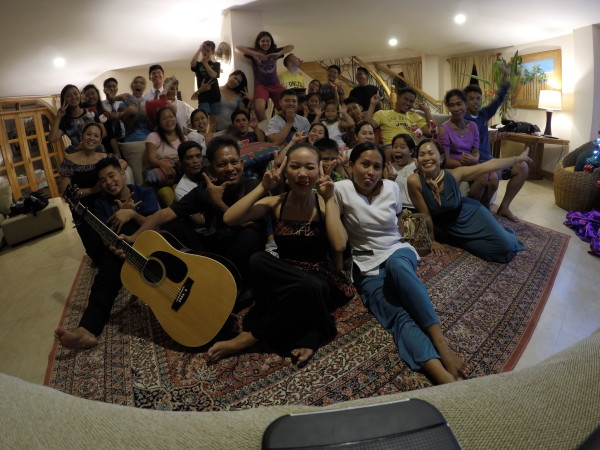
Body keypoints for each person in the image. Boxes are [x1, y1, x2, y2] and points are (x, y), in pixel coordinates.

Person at [206, 143, 355, 364]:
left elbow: (339, 245)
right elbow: (230, 218)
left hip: (320, 279)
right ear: (285, 171)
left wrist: (329, 198)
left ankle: (250, 338)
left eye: (309, 168)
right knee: (258, 259)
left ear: (319, 171)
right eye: (295, 166)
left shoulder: (324, 205)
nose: (303, 174)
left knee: (307, 286)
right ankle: (309, 330)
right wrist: (262, 187)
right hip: (286, 275)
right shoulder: (276, 203)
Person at [334, 142, 468, 384]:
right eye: (364, 165)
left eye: (376, 166)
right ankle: (441, 375)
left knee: (397, 267)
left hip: (396, 250)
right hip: (366, 265)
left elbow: (397, 221)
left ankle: (443, 346)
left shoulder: (392, 188)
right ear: (351, 166)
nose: (370, 172)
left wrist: (415, 241)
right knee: (397, 317)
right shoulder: (340, 189)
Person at [117, 136, 266, 298]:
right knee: (171, 226)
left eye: (234, 162)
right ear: (212, 169)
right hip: (215, 249)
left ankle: (231, 290)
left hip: (241, 252)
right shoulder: (206, 189)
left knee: (250, 235)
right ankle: (187, 282)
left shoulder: (253, 186)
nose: (230, 168)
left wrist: (217, 202)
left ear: (242, 165)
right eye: (222, 164)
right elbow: (166, 213)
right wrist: (134, 237)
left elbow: (250, 224)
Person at [55, 157, 159, 349]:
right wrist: (113, 243)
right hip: (122, 253)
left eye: (111, 176)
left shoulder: (145, 192)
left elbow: (157, 227)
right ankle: (87, 330)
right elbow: (104, 236)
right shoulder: (101, 203)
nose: (109, 182)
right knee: (106, 274)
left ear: (122, 172)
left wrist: (132, 214)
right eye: (103, 180)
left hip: (151, 249)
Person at [407, 139, 529, 263]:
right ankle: (459, 238)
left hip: (470, 213)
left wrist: (517, 159)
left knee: (506, 248)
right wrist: (432, 240)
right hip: (446, 227)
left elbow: (488, 165)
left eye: (431, 153)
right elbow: (425, 215)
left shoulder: (454, 175)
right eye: (422, 155)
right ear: (417, 160)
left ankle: (507, 234)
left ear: (442, 158)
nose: (426, 158)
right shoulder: (414, 181)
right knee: (490, 251)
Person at [58, 123, 126, 264]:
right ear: (82, 137)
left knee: (117, 245)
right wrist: (93, 190)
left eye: (96, 136)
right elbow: (66, 194)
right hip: (84, 211)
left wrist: (116, 171)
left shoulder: (105, 157)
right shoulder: (69, 160)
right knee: (98, 254)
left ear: (100, 141)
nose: (92, 138)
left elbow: (123, 162)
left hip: (106, 204)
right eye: (88, 134)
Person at [464, 74, 529, 220]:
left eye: (478, 98)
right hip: (476, 164)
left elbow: (498, 100)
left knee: (522, 167)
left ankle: (504, 207)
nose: (475, 101)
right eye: (471, 98)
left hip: (491, 161)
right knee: (492, 178)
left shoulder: (483, 114)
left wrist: (505, 81)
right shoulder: (461, 120)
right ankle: (483, 212)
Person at [235, 31, 294, 122]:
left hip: (275, 84)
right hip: (261, 85)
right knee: (258, 108)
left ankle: (288, 125)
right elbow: (237, 48)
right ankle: (266, 130)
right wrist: (254, 54)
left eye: (268, 41)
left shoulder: (275, 51)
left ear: (271, 42)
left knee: (288, 106)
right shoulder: (255, 52)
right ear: (258, 42)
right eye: (263, 41)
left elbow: (291, 46)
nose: (265, 43)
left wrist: (279, 53)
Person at [144, 106, 186, 205]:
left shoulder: (184, 139)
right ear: (159, 122)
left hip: (180, 179)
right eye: (164, 118)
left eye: (171, 116)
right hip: (161, 183)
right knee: (167, 194)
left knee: (180, 191)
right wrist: (163, 165)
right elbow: (151, 158)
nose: (169, 120)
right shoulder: (154, 136)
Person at [366, 88, 433, 147]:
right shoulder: (382, 113)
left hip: (410, 148)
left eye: (411, 101)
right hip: (391, 146)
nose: (408, 103)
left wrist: (426, 110)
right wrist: (372, 104)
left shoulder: (415, 116)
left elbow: (431, 133)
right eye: (406, 99)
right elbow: (367, 127)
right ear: (398, 98)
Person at [49, 84, 105, 153]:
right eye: (69, 96)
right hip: (81, 157)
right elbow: (52, 139)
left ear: (79, 95)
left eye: (75, 93)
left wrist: (83, 145)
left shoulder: (91, 111)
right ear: (64, 100)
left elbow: (104, 133)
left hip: (98, 153)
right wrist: (58, 116)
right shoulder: (65, 121)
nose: (73, 97)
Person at [190, 40, 221, 131]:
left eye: (207, 50)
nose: (204, 52)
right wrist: (199, 49)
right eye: (203, 50)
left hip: (215, 95)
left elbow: (213, 75)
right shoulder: (198, 65)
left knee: (214, 119)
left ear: (213, 52)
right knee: (203, 118)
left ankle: (213, 135)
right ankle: (205, 135)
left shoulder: (216, 64)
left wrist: (205, 63)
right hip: (203, 96)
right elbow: (192, 62)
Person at [387, 133, 418, 210]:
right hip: (397, 209)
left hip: (416, 207)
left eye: (402, 147)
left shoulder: (417, 166)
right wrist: (390, 181)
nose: (397, 150)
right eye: (395, 147)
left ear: (411, 151)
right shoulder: (388, 168)